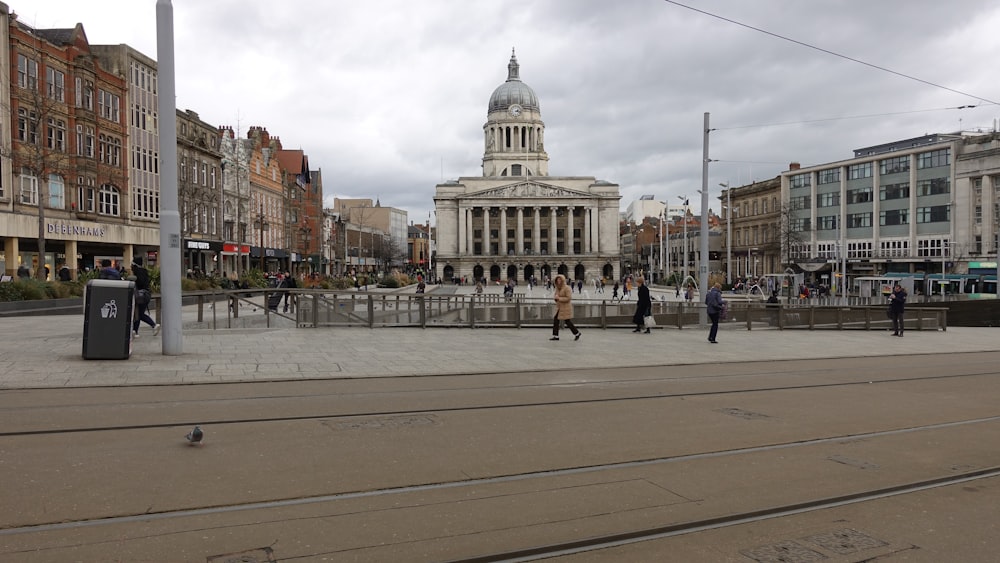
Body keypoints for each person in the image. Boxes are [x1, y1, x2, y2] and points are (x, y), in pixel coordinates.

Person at [130, 257, 158, 337]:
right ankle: (135, 331)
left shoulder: (138, 272)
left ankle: (153, 325)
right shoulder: (144, 271)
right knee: (138, 313)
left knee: (139, 314)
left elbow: (140, 283)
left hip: (141, 295)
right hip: (145, 295)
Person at [550, 274, 581, 342]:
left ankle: (577, 333)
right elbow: (556, 296)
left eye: (560, 279)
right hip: (559, 307)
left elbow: (569, 298)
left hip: (565, 307)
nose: (558, 281)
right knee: (556, 320)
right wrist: (555, 298)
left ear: (563, 280)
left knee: (567, 321)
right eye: (557, 280)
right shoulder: (557, 288)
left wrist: (559, 298)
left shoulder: (567, 288)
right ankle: (556, 335)